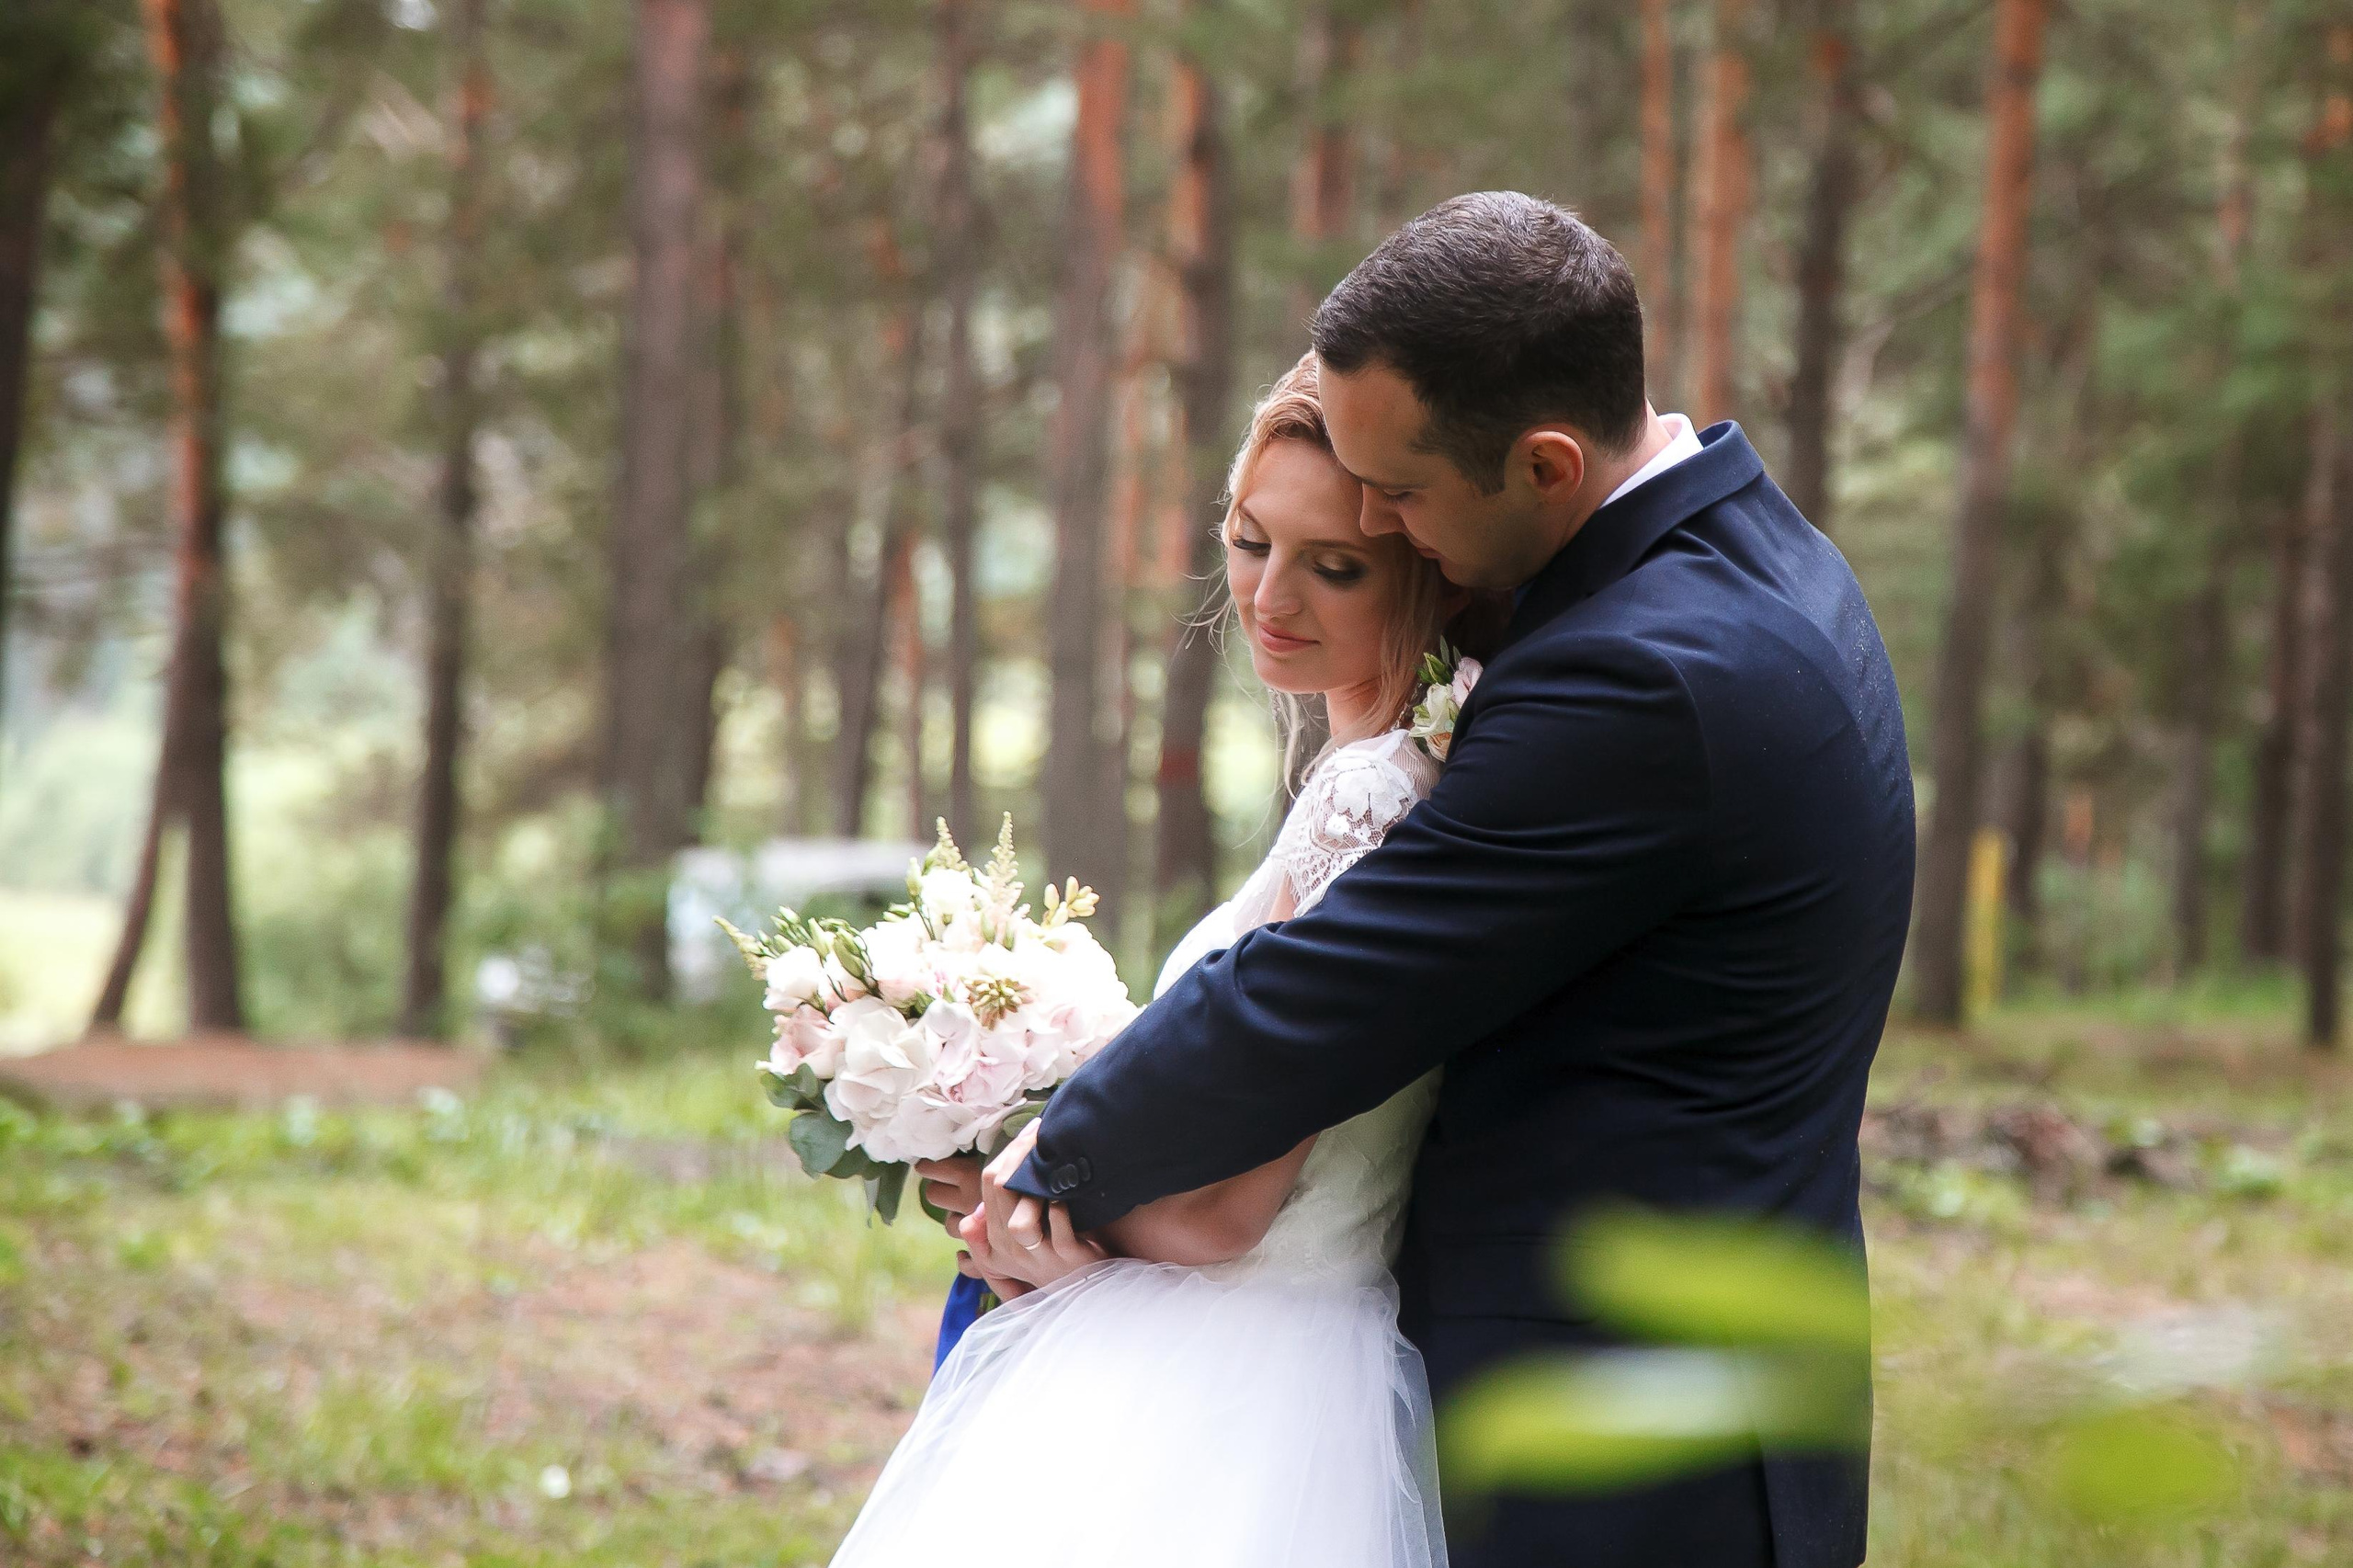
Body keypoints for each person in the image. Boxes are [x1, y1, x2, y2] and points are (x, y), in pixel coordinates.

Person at [964, 192, 1914, 1568]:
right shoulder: (1763, 558)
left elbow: (1323, 992)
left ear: (1544, 463)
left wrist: (1047, 1158)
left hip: (1629, 1437)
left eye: (1399, 498)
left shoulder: (1639, 674)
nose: (1385, 525)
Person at [830, 354, 1491, 1568]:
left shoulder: (1372, 799)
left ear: (1425, 569)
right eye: (1250, 542)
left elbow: (1229, 1209)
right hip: (1260, 1349)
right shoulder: (1369, 777)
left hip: (1242, 1367)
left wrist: (1025, 1194)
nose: (1270, 594)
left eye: (1334, 565)